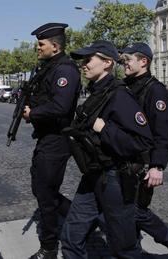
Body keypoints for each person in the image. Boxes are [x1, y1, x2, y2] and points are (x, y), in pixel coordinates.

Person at [61, 40, 153, 259]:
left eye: (88, 60)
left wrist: (105, 130)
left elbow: (142, 141)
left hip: (115, 178)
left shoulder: (119, 95)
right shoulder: (96, 94)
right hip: (93, 174)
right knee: (71, 236)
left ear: (107, 63)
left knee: (123, 247)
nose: (83, 65)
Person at [120, 42, 168, 259]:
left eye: (128, 61)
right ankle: (133, 251)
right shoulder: (126, 86)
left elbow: (162, 131)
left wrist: (157, 165)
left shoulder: (154, 89)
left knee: (136, 211)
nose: (124, 65)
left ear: (143, 61)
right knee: (124, 210)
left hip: (142, 162)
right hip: (124, 158)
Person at [22, 23, 82, 259]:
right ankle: (82, 217)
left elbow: (61, 106)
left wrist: (32, 114)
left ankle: (48, 247)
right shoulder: (49, 68)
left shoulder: (65, 70)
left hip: (57, 139)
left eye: (41, 44)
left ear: (54, 46)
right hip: (46, 137)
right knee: (39, 187)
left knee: (46, 196)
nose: (37, 48)